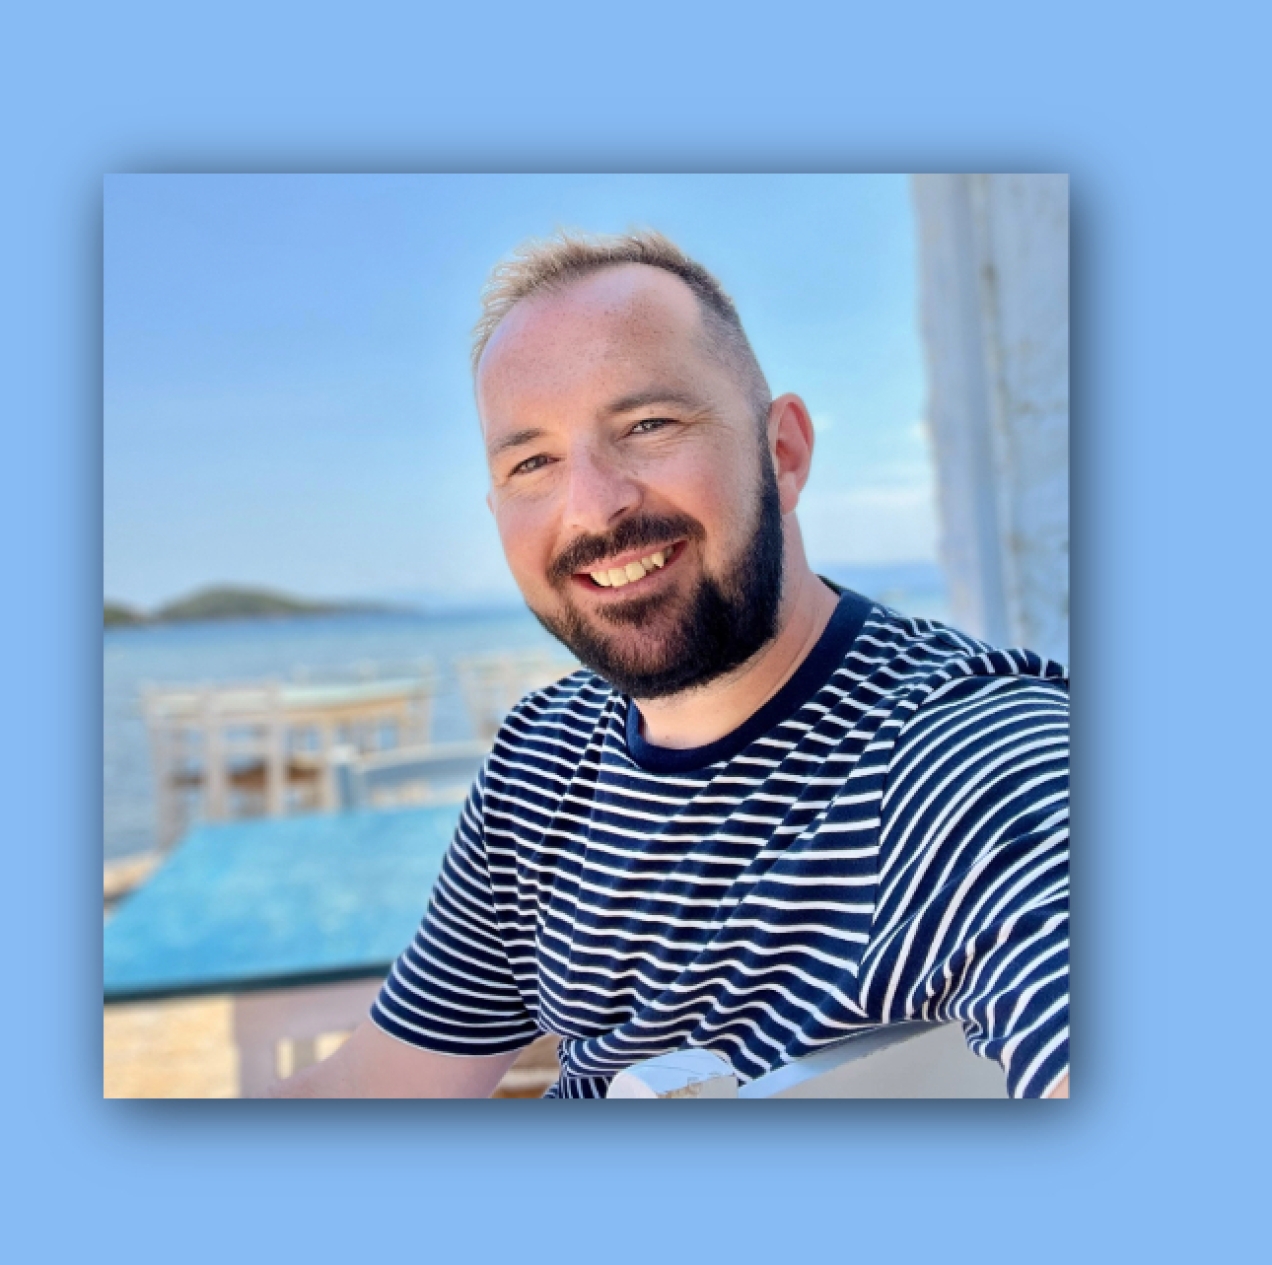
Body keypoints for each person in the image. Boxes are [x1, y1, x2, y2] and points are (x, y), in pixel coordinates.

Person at [272, 230, 1069, 1099]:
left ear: (783, 452)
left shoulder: (973, 762)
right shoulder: (539, 763)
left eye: (649, 425)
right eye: (532, 462)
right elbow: (378, 1088)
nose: (593, 507)